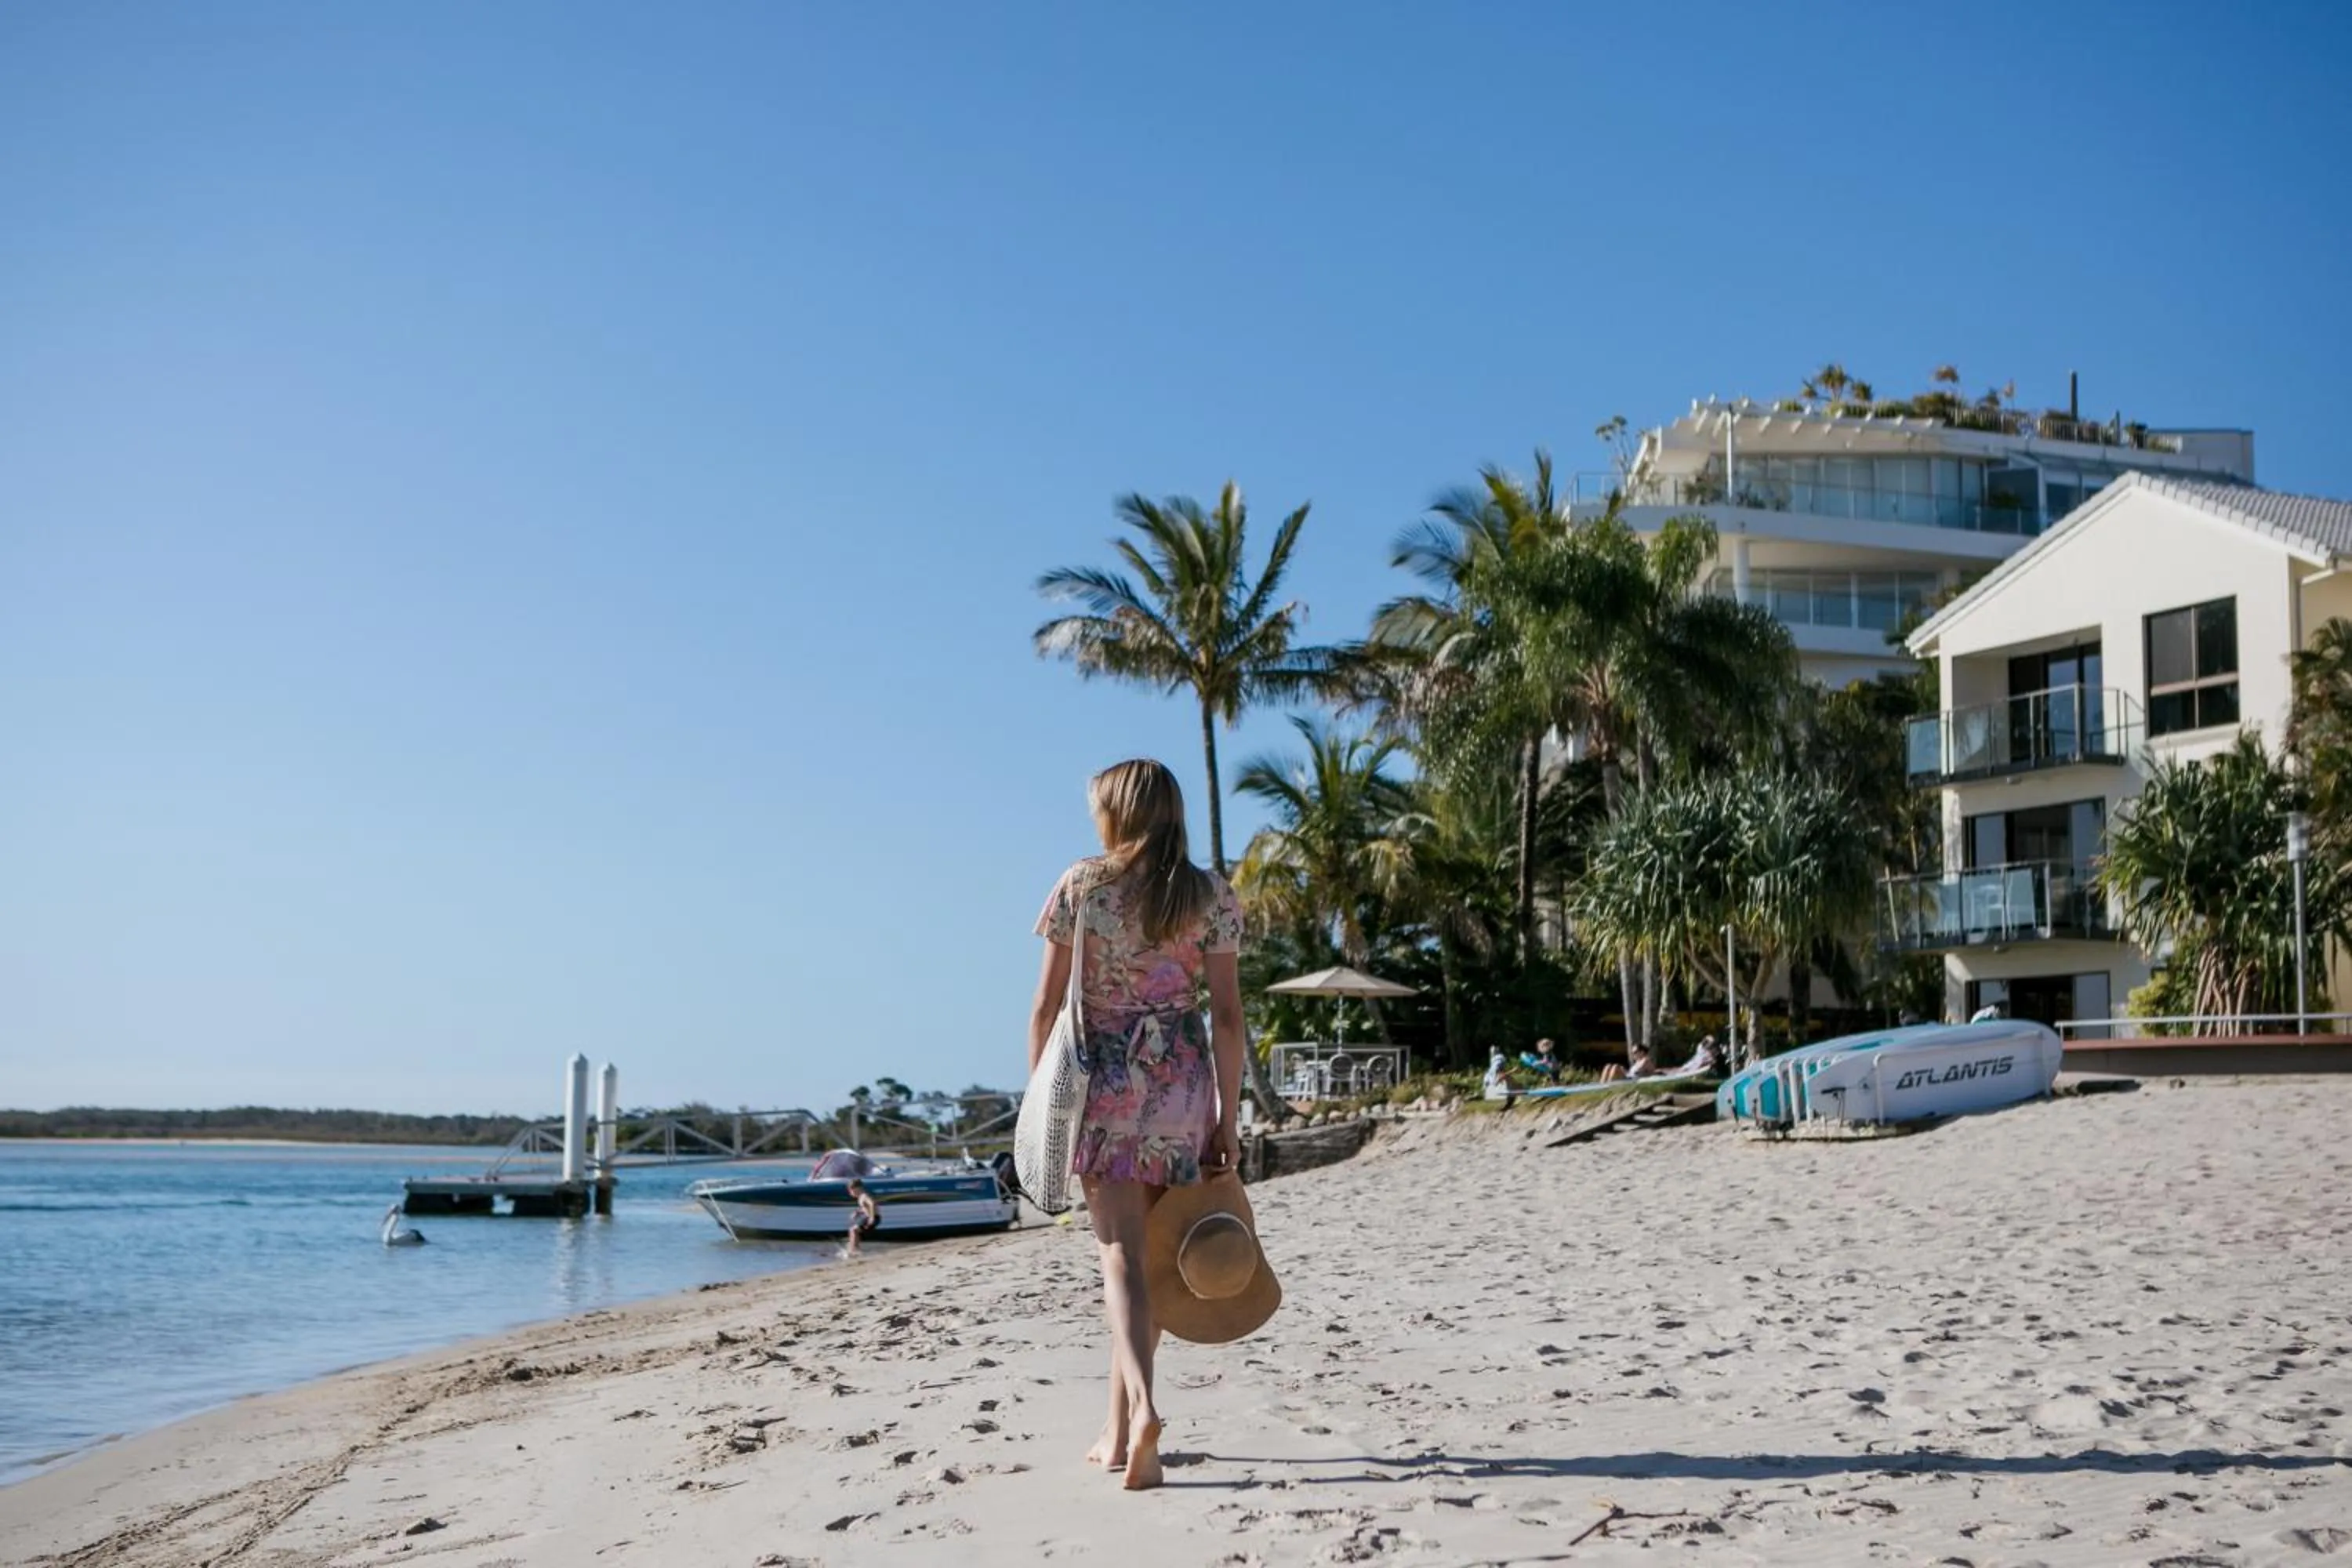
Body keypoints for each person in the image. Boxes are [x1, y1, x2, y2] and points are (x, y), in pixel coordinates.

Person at [1030, 759, 1245, 1492]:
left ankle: (1146, 1408)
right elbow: (1227, 1016)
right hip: (1182, 1086)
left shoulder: (1083, 886)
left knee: (1120, 1255)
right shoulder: (1209, 893)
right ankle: (1119, 1432)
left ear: (1115, 813)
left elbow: (1046, 1008)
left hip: (1105, 1083)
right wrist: (1228, 1116)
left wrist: (1043, 1107)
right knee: (1151, 1259)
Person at [843, 1178, 880, 1258]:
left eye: (851, 1191)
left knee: (854, 1230)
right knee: (852, 1230)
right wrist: (857, 1212)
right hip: (867, 1217)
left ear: (857, 1189)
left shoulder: (864, 1196)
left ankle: (854, 1250)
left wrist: (872, 1217)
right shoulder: (861, 1197)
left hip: (873, 1217)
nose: (851, 1194)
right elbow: (864, 1207)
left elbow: (872, 1204)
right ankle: (853, 1247)